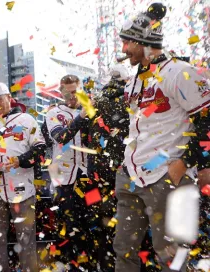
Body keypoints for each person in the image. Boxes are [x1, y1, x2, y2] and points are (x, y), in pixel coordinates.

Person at [114, 3, 210, 271]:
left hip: (165, 176)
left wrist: (190, 162)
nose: (123, 50)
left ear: (143, 41)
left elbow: (208, 120)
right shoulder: (137, 78)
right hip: (131, 176)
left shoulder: (179, 71)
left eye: (127, 42)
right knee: (123, 250)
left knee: (171, 257)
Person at [0, 82, 46, 272]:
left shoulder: (26, 119)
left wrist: (20, 160)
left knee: (26, 240)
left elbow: (40, 150)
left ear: (9, 98)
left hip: (22, 189)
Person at [45, 74, 92, 270]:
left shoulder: (90, 110)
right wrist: (82, 116)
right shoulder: (53, 112)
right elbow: (60, 137)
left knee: (90, 221)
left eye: (76, 91)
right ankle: (69, 265)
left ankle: (89, 263)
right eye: (68, 92)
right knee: (67, 225)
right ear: (61, 92)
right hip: (62, 177)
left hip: (87, 175)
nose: (72, 96)